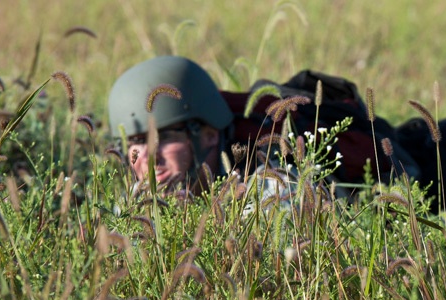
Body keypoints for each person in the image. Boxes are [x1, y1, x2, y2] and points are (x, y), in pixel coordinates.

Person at [107, 55, 306, 209]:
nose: (150, 158)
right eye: (137, 142)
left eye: (164, 138)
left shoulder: (272, 191)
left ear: (209, 135)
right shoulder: (135, 203)